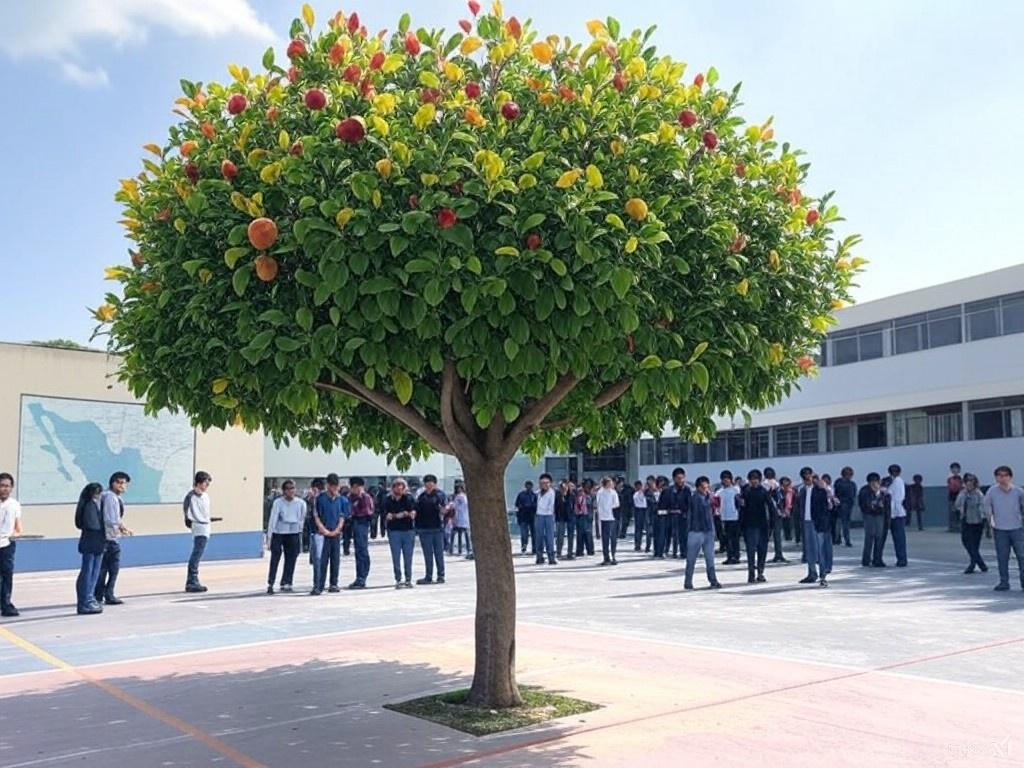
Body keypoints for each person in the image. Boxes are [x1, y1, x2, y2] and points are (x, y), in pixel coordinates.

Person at [95, 472, 133, 606]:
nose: (123, 486)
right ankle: (107, 594)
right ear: (113, 483)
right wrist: (119, 529)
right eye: (120, 483)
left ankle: (99, 594)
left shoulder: (108, 496)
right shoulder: (111, 498)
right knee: (111, 568)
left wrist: (123, 527)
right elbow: (111, 519)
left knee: (104, 568)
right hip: (110, 538)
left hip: (107, 537)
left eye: (125, 484)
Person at [984, 466, 1024, 592]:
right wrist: (991, 525)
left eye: (1005, 475)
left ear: (1010, 477)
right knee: (1002, 557)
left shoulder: (1018, 491)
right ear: (996, 477)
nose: (1002, 478)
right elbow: (988, 509)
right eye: (999, 475)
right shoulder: (992, 491)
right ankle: (1004, 582)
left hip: (1017, 528)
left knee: (1022, 556)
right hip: (1000, 529)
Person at [266, 480, 306, 594]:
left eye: (293, 488)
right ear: (284, 491)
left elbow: (301, 519)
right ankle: (271, 581)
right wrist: (269, 537)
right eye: (288, 488)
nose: (291, 491)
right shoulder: (278, 502)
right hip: (279, 532)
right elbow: (273, 519)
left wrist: (300, 535)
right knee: (275, 557)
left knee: (291, 557)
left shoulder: (300, 503)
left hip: (293, 532)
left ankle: (287, 581)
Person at [312, 474, 348, 595]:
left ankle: (334, 583)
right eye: (332, 486)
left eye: (336, 486)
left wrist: (337, 530)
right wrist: (324, 530)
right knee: (321, 560)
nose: (334, 489)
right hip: (322, 534)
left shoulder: (341, 500)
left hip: (336, 533)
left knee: (335, 559)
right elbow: (316, 516)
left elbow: (342, 516)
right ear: (328, 486)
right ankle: (319, 585)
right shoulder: (320, 499)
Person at [684, 476, 721, 590]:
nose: (706, 489)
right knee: (691, 558)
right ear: (698, 487)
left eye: (707, 487)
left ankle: (713, 580)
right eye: (704, 487)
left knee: (710, 558)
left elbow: (715, 508)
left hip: (708, 531)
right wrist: (710, 497)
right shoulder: (696, 497)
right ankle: (688, 581)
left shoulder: (707, 497)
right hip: (696, 531)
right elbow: (704, 506)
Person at [74, 482, 106, 615]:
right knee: (89, 572)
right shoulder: (90, 505)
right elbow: (94, 525)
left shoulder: (88, 504)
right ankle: (86, 600)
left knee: (91, 571)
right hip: (93, 541)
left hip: (91, 541)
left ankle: (88, 599)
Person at [797, 467, 831, 586]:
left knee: (820, 550)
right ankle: (812, 573)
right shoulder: (802, 491)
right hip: (806, 522)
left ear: (812, 476)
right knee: (809, 550)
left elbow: (828, 505)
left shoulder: (820, 490)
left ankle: (823, 574)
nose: (807, 479)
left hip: (817, 523)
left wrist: (825, 488)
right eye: (804, 477)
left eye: (809, 476)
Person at [739, 469, 772, 583]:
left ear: (760, 480)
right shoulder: (745, 491)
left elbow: (771, 507)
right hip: (750, 525)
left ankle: (760, 572)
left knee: (762, 550)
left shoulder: (764, 491)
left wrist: (772, 523)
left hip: (762, 525)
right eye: (752, 479)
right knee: (750, 551)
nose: (754, 481)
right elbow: (741, 508)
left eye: (756, 479)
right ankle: (751, 573)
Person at [184, 471, 214, 593]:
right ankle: (192, 581)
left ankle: (193, 580)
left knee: (198, 554)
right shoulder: (191, 497)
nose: (207, 486)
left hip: (206, 527)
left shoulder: (205, 496)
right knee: (196, 554)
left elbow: (205, 512)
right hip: (198, 527)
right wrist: (199, 521)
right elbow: (189, 515)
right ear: (199, 482)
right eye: (205, 483)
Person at [415, 474, 447, 585]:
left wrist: (443, 510)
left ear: (435, 483)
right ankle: (428, 576)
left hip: (437, 528)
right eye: (426, 482)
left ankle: (440, 575)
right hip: (424, 529)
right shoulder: (422, 496)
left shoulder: (440, 495)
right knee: (427, 554)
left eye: (431, 482)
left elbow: (444, 508)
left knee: (439, 553)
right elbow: (417, 511)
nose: (429, 484)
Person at [384, 478, 416, 587]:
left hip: (408, 530)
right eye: (396, 486)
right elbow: (386, 514)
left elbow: (412, 512)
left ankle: (408, 578)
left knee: (408, 556)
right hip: (394, 531)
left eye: (401, 486)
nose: (399, 488)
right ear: (393, 488)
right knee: (396, 556)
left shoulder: (409, 498)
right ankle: (398, 578)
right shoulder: (388, 499)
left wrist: (404, 514)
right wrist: (396, 515)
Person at [0, 473, 24, 617]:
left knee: (7, 575)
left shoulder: (14, 504)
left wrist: (17, 533)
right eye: (2, 486)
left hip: (7, 545)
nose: (4, 489)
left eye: (7, 486)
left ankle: (6, 604)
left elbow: (18, 526)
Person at [955, 474, 988, 574]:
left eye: (971, 481)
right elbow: (957, 504)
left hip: (977, 522)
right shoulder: (963, 493)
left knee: (974, 544)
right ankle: (980, 563)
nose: (969, 484)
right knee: (966, 542)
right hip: (966, 520)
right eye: (967, 482)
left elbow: (983, 508)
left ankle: (974, 564)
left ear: (975, 483)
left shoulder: (979, 494)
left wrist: (985, 520)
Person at [347, 477, 375, 589]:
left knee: (362, 551)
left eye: (356, 487)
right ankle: (359, 577)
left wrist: (353, 512)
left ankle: (362, 577)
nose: (354, 489)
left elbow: (367, 512)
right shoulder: (350, 497)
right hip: (352, 525)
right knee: (357, 551)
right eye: (352, 487)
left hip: (362, 524)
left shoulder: (365, 497)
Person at [657, 468, 689, 560]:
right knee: (667, 535)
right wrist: (667, 512)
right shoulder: (667, 491)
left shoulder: (686, 490)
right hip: (669, 517)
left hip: (682, 517)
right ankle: (665, 551)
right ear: (674, 479)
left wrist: (684, 513)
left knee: (683, 535)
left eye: (682, 478)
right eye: (678, 478)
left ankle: (683, 552)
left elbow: (689, 505)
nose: (681, 480)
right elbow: (661, 506)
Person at [859, 472, 887, 568]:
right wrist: (875, 504)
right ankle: (866, 559)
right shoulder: (864, 491)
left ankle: (877, 559)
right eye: (872, 482)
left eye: (876, 482)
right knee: (869, 537)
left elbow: (886, 503)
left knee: (879, 537)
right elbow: (865, 505)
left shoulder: (882, 491)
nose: (875, 484)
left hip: (879, 515)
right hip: (869, 515)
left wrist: (878, 494)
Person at [715, 471, 741, 565]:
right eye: (724, 479)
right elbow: (716, 503)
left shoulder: (736, 490)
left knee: (735, 538)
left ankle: (736, 556)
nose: (726, 481)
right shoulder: (719, 492)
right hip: (724, 518)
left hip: (735, 517)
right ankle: (729, 556)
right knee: (727, 538)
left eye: (727, 479)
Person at [763, 468, 788, 563]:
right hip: (777, 512)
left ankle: (763, 555)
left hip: (767, 512)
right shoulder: (777, 484)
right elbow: (781, 499)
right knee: (777, 535)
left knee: (765, 536)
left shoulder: (763, 484)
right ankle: (779, 554)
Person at [886, 464, 908, 567]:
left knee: (899, 537)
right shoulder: (894, 481)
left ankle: (902, 559)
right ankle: (901, 558)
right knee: (898, 538)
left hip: (897, 513)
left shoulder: (897, 482)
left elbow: (896, 498)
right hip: (896, 512)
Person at [595, 477, 620, 565]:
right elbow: (598, 505)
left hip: (612, 517)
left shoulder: (613, 492)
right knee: (605, 539)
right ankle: (606, 557)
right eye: (609, 483)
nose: (611, 485)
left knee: (613, 538)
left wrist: (610, 508)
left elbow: (617, 503)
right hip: (603, 518)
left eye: (611, 483)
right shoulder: (600, 493)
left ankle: (613, 556)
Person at [534, 473, 558, 565]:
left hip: (548, 516)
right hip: (539, 516)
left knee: (549, 537)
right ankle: (539, 557)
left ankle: (551, 557)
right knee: (539, 537)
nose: (544, 484)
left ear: (550, 483)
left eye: (546, 482)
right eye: (542, 483)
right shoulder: (537, 493)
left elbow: (550, 506)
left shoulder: (552, 493)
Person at [833, 467, 857, 548]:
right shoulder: (851, 484)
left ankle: (837, 539)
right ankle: (846, 540)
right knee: (844, 524)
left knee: (839, 523)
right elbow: (853, 494)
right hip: (845, 505)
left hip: (841, 505)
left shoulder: (838, 483)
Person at [555, 479, 576, 560]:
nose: (564, 489)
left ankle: (569, 552)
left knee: (571, 536)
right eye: (562, 488)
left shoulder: (572, 495)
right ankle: (558, 552)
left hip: (570, 517)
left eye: (565, 487)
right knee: (560, 535)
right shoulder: (557, 495)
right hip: (560, 518)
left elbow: (573, 506)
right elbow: (556, 506)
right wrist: (562, 497)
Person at [515, 481, 537, 556]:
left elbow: (536, 505)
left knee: (534, 534)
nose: (529, 487)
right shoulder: (521, 495)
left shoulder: (534, 495)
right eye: (527, 485)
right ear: (525, 486)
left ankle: (534, 549)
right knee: (524, 534)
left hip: (532, 517)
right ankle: (524, 548)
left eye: (530, 486)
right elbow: (517, 505)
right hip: (523, 517)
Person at [574, 484, 595, 557]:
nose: (580, 492)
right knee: (579, 535)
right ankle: (579, 551)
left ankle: (590, 550)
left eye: (581, 491)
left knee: (588, 534)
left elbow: (591, 506)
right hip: (579, 517)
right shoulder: (576, 499)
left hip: (587, 517)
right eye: (578, 491)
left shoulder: (587, 497)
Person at [451, 484, 472, 558]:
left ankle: (462, 549)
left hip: (461, 517)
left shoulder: (460, 497)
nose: (458, 490)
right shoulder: (464, 496)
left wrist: (451, 505)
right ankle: (465, 549)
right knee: (463, 534)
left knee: (462, 534)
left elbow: (454, 505)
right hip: (462, 517)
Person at [632, 480, 648, 552]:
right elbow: (638, 503)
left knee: (647, 529)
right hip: (639, 510)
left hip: (645, 510)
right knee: (638, 529)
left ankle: (647, 546)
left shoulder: (646, 493)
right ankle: (637, 545)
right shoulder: (636, 494)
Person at [947, 463, 963, 532]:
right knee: (952, 512)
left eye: (956, 468)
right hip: (952, 497)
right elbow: (950, 488)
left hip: (960, 497)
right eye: (953, 468)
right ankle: (952, 527)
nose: (955, 470)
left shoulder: (961, 479)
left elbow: (962, 487)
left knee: (959, 513)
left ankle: (960, 526)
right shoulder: (950, 479)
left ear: (959, 470)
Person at [779, 476, 795, 542]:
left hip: (791, 511)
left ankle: (791, 538)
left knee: (790, 526)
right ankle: (786, 538)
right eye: (784, 482)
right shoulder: (779, 492)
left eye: (787, 482)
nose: (785, 484)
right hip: (782, 511)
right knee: (784, 526)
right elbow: (779, 502)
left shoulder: (793, 491)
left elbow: (795, 501)